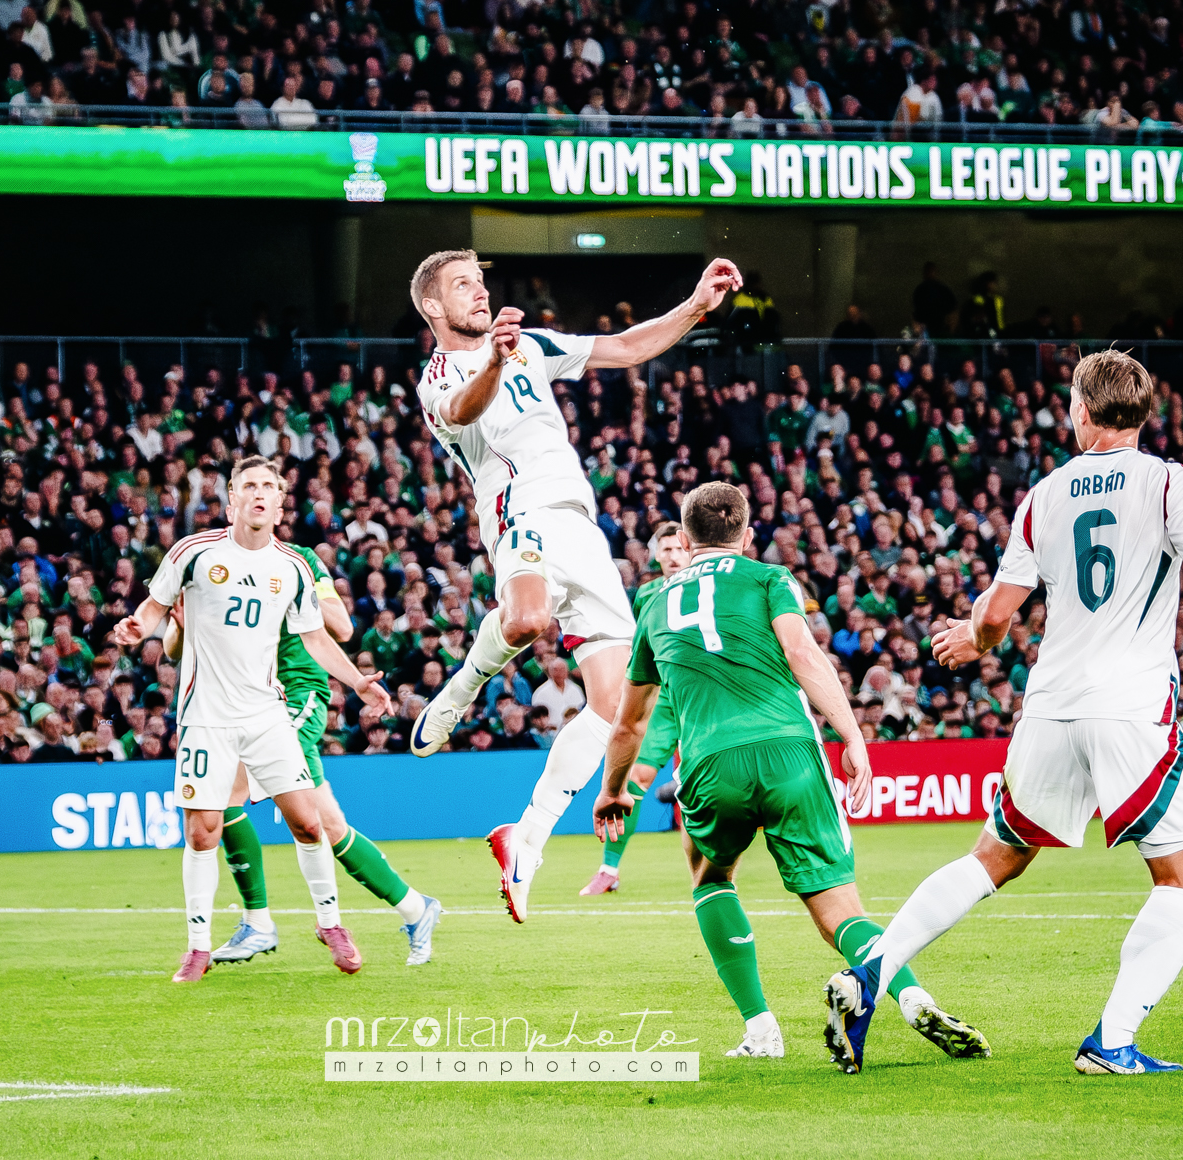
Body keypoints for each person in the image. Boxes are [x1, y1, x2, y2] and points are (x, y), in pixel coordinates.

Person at [824, 351, 1183, 1075]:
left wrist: (975, 638)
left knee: (993, 857)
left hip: (1049, 709)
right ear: (1143, 413)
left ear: (1080, 409)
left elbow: (997, 615)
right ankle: (1113, 1041)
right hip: (1130, 708)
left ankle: (870, 975)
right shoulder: (1165, 480)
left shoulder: (1043, 496)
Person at [405, 248, 742, 922]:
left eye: (481, 281)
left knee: (619, 707)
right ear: (434, 307)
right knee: (528, 621)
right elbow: (465, 411)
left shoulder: (531, 344)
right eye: (463, 285)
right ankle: (462, 688)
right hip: (519, 513)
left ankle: (527, 838)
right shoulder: (439, 376)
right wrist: (496, 360)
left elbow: (625, 347)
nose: (480, 292)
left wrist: (695, 306)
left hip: (581, 527)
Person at [594, 482, 986, 1062]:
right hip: (790, 753)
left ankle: (760, 1030)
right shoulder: (769, 579)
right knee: (839, 910)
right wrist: (852, 735)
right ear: (747, 535)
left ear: (685, 539)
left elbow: (629, 722)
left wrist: (612, 790)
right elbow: (803, 655)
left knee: (711, 880)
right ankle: (911, 997)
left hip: (709, 763)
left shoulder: (653, 606)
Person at [112, 456, 391, 980]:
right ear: (232, 500)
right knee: (202, 833)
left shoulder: (293, 566)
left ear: (280, 505)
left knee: (308, 822)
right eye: (249, 486)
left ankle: (330, 924)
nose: (259, 493)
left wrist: (357, 682)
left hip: (266, 714)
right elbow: (154, 606)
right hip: (206, 718)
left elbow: (315, 638)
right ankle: (197, 947)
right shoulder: (194, 552)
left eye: (268, 487)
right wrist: (137, 627)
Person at [176, 538, 442, 968]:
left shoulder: (299, 560)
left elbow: (342, 627)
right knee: (328, 825)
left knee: (225, 794)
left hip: (297, 697)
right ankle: (415, 907)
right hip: (252, 701)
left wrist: (287, 592)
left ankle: (258, 922)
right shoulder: (222, 562)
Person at [581, 522, 688, 895]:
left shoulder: (709, 586)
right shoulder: (647, 594)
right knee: (635, 777)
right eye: (666, 549)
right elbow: (640, 649)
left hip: (702, 694)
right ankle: (609, 869)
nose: (673, 556)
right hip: (662, 698)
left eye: (679, 548)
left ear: (691, 550)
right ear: (656, 554)